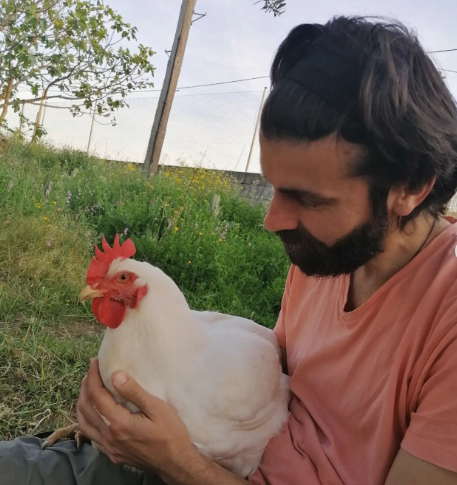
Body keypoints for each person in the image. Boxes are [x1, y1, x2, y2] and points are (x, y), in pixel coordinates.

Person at [2, 14, 457, 485]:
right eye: (274, 188)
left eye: (308, 198)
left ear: (411, 186)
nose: (272, 221)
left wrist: (177, 461)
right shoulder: (328, 253)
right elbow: (266, 371)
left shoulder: (446, 320)